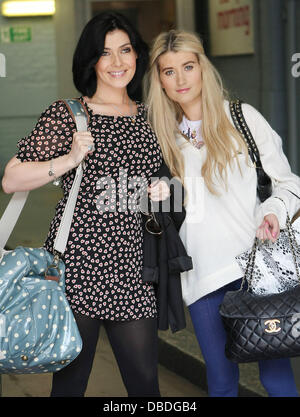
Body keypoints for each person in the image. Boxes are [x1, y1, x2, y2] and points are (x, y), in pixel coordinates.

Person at [1, 12, 172, 397]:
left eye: (125, 50)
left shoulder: (152, 116)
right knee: (70, 386)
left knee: (146, 386)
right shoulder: (70, 115)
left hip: (133, 269)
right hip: (77, 270)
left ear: (136, 55)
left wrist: (164, 186)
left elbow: (168, 177)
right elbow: (11, 178)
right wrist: (66, 161)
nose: (117, 63)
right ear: (91, 61)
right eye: (105, 53)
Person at [146, 29, 300, 397]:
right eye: (169, 71)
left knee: (275, 377)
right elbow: (161, 211)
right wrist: (156, 195)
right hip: (201, 276)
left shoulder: (242, 118)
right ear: (160, 82)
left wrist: (275, 211)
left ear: (203, 68)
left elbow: (289, 183)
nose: (180, 79)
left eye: (187, 66)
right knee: (220, 379)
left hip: (258, 268)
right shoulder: (162, 137)